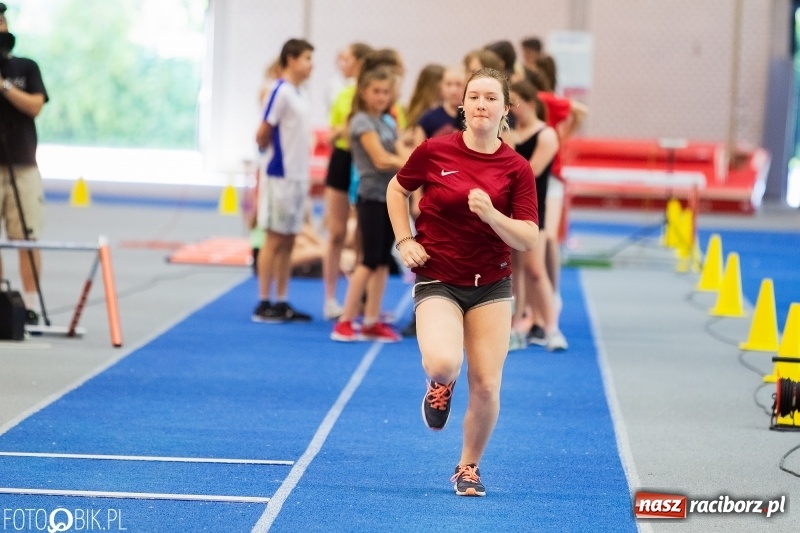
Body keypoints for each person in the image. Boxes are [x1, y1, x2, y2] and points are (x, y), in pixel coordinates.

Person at [386, 68, 539, 496]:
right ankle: (440, 386)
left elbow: (528, 236)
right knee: (443, 363)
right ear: (462, 105)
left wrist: (492, 214)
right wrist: (404, 239)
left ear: (506, 109)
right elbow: (397, 191)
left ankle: (468, 466)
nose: (481, 105)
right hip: (439, 275)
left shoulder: (516, 168)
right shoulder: (434, 151)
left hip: (491, 283)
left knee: (488, 384)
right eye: (474, 97)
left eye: (491, 98)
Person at [330, 66, 409, 343]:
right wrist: (415, 165)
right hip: (371, 196)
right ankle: (345, 320)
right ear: (364, 93)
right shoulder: (361, 122)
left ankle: (372, 320)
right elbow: (380, 159)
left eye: (386, 92)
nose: (381, 97)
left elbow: (399, 151)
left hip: (390, 196)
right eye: (376, 91)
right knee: (369, 260)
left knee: (383, 261)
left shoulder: (387, 121)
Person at [251, 38, 315, 323]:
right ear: (291, 59)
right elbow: (262, 132)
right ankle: (264, 301)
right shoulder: (279, 91)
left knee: (290, 239)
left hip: (299, 175)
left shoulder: (299, 92)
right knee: (274, 238)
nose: (311, 65)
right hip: (281, 174)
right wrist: (269, 158)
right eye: (307, 59)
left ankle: (282, 299)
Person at [400, 65, 466, 337]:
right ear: (441, 87)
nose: (453, 89)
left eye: (458, 84)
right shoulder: (429, 119)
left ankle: (460, 311)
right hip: (432, 200)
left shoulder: (472, 119)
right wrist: (417, 197)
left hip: (463, 202)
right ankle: (421, 312)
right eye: (449, 84)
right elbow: (418, 162)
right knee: (427, 259)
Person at [507, 79, 566, 351]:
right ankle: (515, 325)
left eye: (516, 103)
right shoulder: (509, 133)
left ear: (531, 103)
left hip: (533, 211)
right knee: (513, 270)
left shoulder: (546, 135)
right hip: (508, 210)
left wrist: (509, 149)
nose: (512, 109)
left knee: (534, 269)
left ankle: (552, 327)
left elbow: (529, 172)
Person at [0, 3, 49, 325]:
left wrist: (3, 87)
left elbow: (35, 106)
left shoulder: (25, 67)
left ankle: (29, 304)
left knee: (26, 236)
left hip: (22, 163)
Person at [321, 42, 373, 319]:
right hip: (343, 160)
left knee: (364, 234)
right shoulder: (343, 95)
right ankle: (330, 298)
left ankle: (362, 299)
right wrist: (348, 126)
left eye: (348, 59)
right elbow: (331, 134)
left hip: (367, 163)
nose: (343, 64)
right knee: (337, 232)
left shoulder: (375, 92)